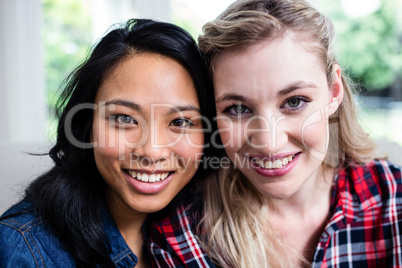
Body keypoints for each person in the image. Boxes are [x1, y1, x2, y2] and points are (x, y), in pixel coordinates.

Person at [148, 0, 402, 267]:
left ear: (334, 91)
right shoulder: (182, 236)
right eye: (237, 108)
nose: (269, 143)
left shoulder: (394, 200)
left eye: (294, 102)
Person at [0, 18, 216, 267]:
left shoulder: (205, 228)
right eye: (125, 119)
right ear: (87, 125)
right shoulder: (23, 249)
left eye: (180, 122)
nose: (151, 151)